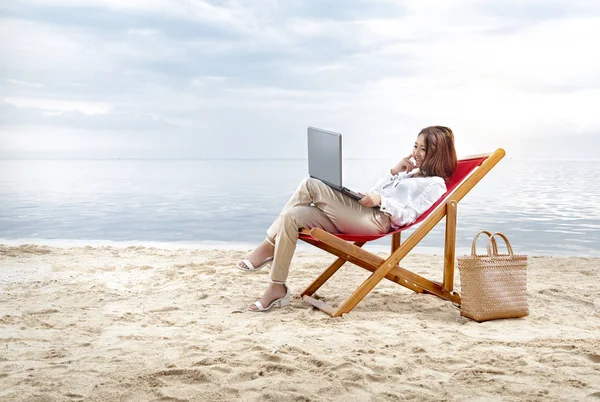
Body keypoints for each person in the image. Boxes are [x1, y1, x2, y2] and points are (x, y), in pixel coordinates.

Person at [237, 126, 458, 312]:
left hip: (376, 221)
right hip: (360, 214)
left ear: (438, 154)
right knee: (291, 217)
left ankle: (268, 246)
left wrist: (382, 200)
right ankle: (277, 288)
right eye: (415, 146)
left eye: (424, 149)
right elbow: (373, 192)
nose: (416, 153)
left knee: (310, 184)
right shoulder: (408, 173)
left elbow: (409, 216)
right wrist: (392, 172)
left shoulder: (435, 184)